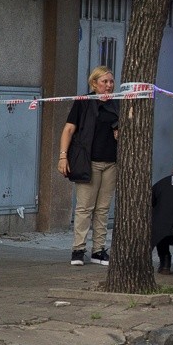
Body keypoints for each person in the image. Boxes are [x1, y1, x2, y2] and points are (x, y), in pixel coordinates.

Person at [57, 66, 119, 266]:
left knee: (103, 209)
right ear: (94, 84)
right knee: (85, 207)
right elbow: (68, 130)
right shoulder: (84, 102)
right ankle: (78, 250)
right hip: (88, 161)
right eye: (104, 82)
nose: (109, 86)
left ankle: (98, 250)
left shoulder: (118, 103)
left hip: (111, 163)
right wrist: (63, 157)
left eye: (111, 81)